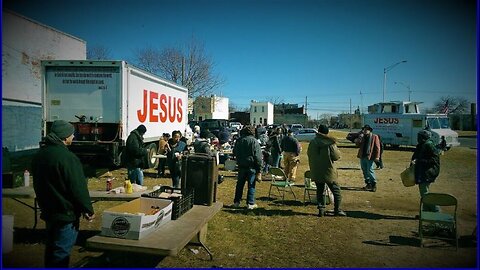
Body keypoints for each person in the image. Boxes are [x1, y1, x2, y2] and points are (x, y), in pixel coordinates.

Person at [31, 120, 95, 267]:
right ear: (65, 137)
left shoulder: (40, 155)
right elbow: (77, 188)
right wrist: (87, 208)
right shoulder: (67, 158)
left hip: (48, 211)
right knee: (61, 252)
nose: (73, 137)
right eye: (72, 134)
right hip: (65, 213)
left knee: (51, 248)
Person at [307, 124, 346, 217]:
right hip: (328, 171)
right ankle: (337, 210)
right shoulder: (330, 143)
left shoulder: (313, 142)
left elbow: (309, 154)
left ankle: (321, 209)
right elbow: (336, 157)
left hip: (316, 170)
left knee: (319, 191)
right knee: (336, 191)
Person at [233, 125, 263, 210]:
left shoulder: (239, 140)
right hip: (251, 166)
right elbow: (258, 156)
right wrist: (259, 169)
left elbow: (234, 152)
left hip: (241, 166)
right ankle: (250, 203)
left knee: (239, 185)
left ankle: (236, 202)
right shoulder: (254, 141)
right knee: (251, 185)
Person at [412, 130, 441, 212]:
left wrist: (419, 161)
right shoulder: (422, 145)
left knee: (425, 194)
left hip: (427, 173)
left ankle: (436, 210)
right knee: (424, 192)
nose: (417, 138)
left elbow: (434, 160)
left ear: (423, 138)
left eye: (419, 137)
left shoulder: (429, 145)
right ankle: (425, 213)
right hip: (423, 172)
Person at [354, 124, 381, 192]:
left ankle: (373, 184)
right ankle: (368, 183)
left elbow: (377, 147)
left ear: (370, 130)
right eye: (364, 129)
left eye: (367, 129)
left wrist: (377, 157)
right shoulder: (362, 137)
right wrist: (358, 139)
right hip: (362, 156)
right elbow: (358, 145)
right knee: (364, 170)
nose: (365, 131)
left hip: (370, 156)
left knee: (370, 170)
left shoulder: (374, 137)